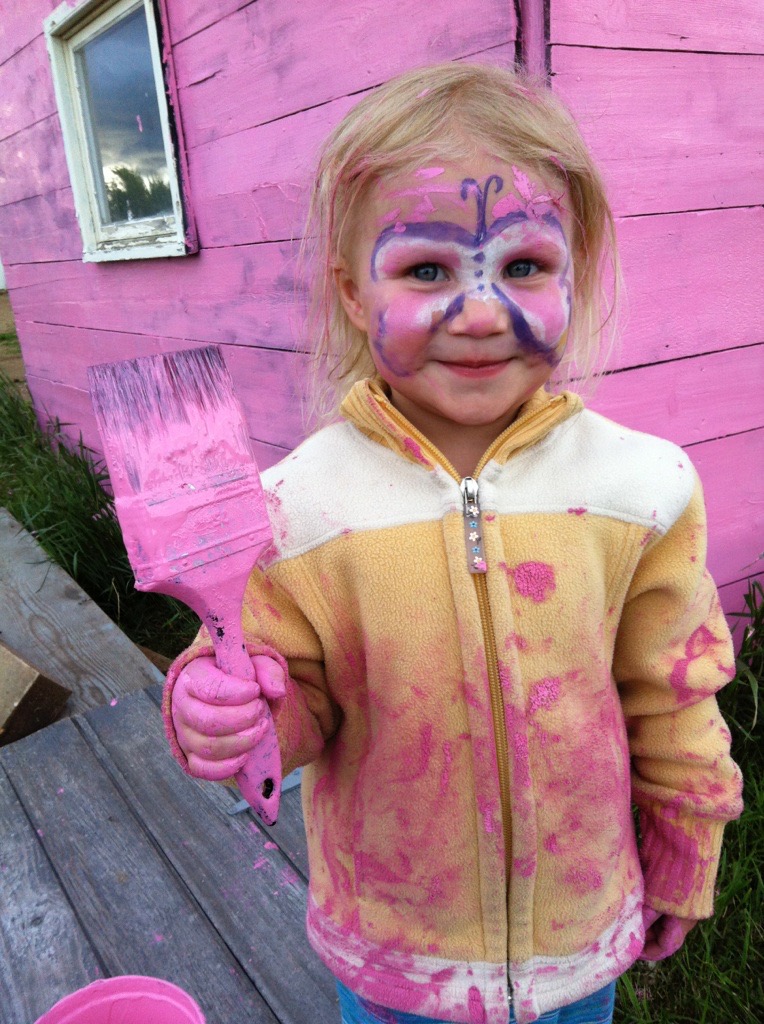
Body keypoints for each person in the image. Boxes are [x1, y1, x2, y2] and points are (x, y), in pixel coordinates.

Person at [161, 63, 743, 1024]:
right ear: (353, 294)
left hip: (578, 941)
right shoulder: (299, 508)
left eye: (523, 267)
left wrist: (687, 840)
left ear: (575, 272)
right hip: (394, 954)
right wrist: (229, 711)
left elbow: (674, 694)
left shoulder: (642, 489)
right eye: (426, 269)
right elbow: (287, 698)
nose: (479, 311)